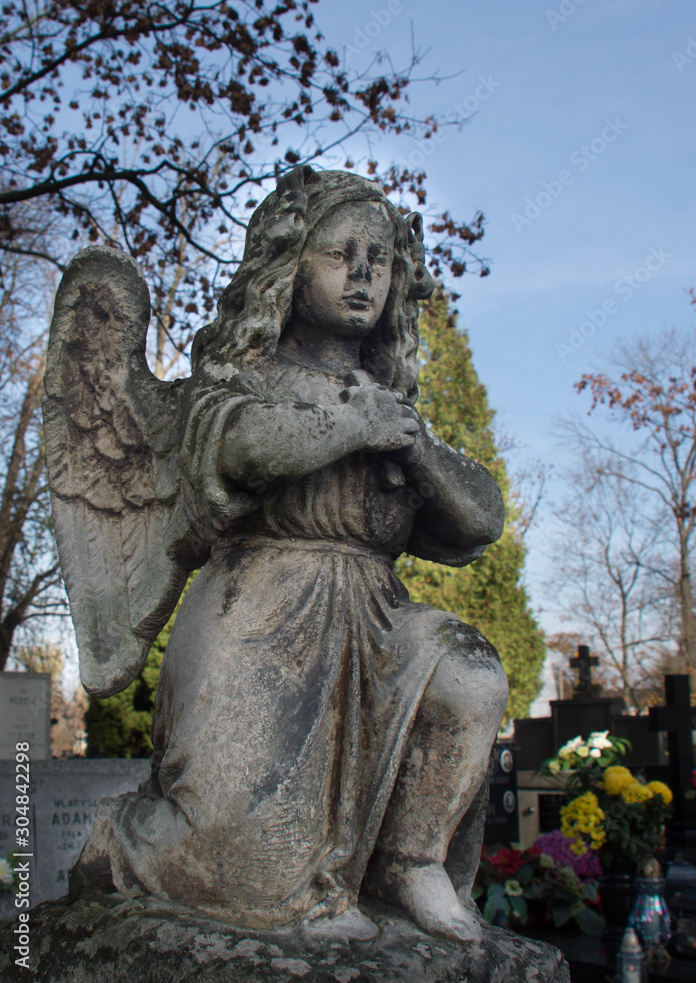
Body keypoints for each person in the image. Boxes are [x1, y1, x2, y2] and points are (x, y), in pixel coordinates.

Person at [68, 167, 508, 944]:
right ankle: (129, 842)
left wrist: (415, 445)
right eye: (341, 252)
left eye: (380, 256)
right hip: (260, 618)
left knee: (469, 669)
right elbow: (240, 449)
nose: (365, 272)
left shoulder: (394, 406)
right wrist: (351, 427)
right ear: (289, 264)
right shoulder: (243, 377)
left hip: (379, 620)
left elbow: (479, 519)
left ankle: (409, 860)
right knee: (248, 863)